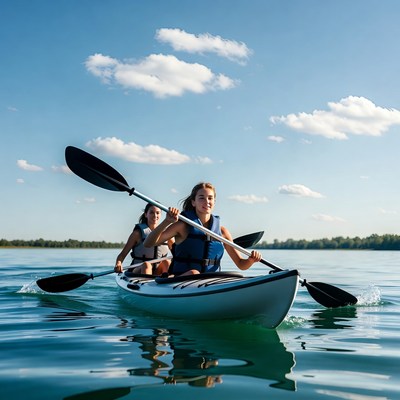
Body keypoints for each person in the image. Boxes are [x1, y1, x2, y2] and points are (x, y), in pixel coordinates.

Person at [144, 182, 262, 276]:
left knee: (230, 276)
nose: (207, 202)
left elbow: (241, 265)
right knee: (194, 273)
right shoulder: (182, 226)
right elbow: (148, 243)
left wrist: (251, 260)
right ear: (193, 202)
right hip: (180, 281)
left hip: (209, 282)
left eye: (210, 198)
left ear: (214, 202)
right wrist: (166, 222)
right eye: (201, 198)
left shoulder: (222, 232)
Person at [114, 203, 173, 275]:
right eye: (151, 212)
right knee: (146, 265)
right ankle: (147, 284)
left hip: (158, 272)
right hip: (138, 270)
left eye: (158, 213)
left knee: (167, 262)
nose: (155, 215)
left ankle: (165, 280)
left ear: (161, 215)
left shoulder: (167, 234)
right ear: (146, 214)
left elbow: (177, 254)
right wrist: (118, 263)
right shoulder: (137, 234)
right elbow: (122, 255)